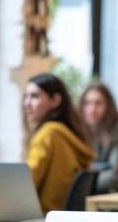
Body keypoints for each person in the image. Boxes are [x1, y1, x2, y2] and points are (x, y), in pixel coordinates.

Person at [23, 73, 95, 214]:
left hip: (43, 216)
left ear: (55, 100)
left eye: (34, 96)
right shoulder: (70, 136)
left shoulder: (47, 135)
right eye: (26, 96)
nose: (26, 103)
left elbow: (25, 186)